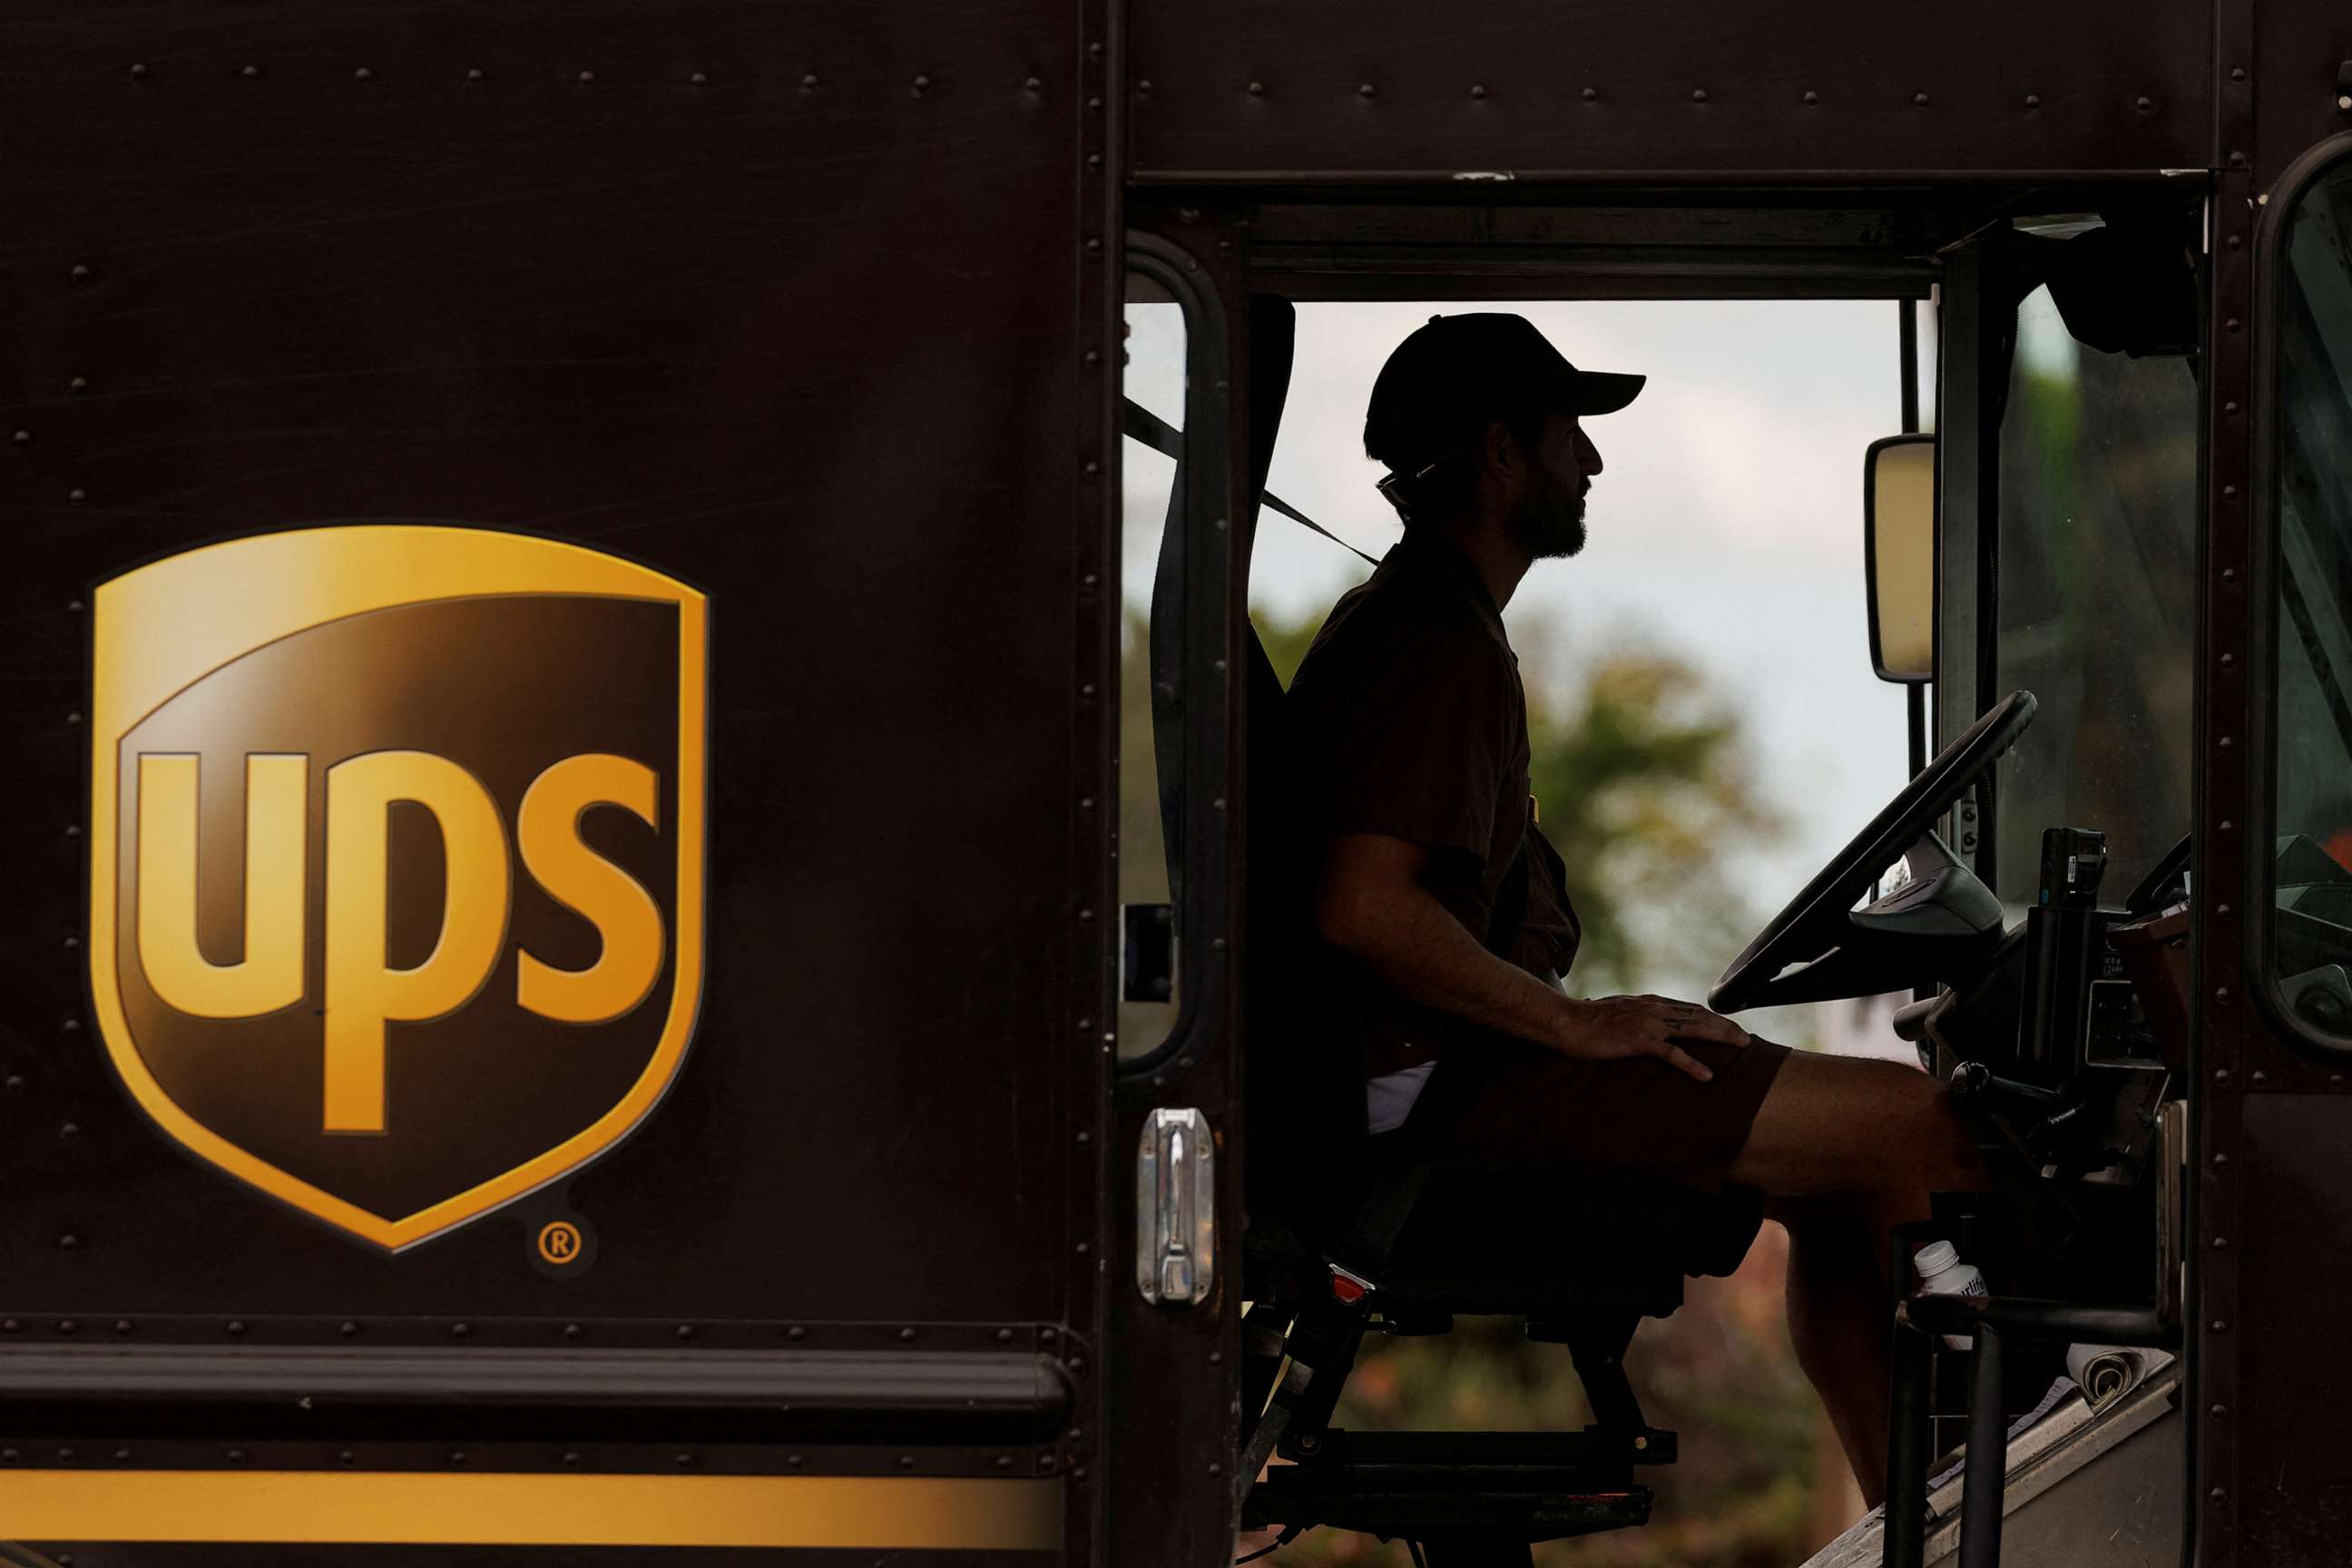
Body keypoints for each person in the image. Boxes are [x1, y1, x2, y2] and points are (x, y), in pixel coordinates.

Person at [1285, 312, 1985, 1504]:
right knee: (1925, 1128)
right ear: (1503, 453)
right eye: (1571, 438)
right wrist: (1575, 1024)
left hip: (1438, 1080)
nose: (1594, 465)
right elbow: (1361, 908)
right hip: (1445, 1099)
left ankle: (1904, 1524)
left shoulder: (1422, 623)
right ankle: (1989, 1520)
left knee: (1840, 1185)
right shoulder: (1432, 648)